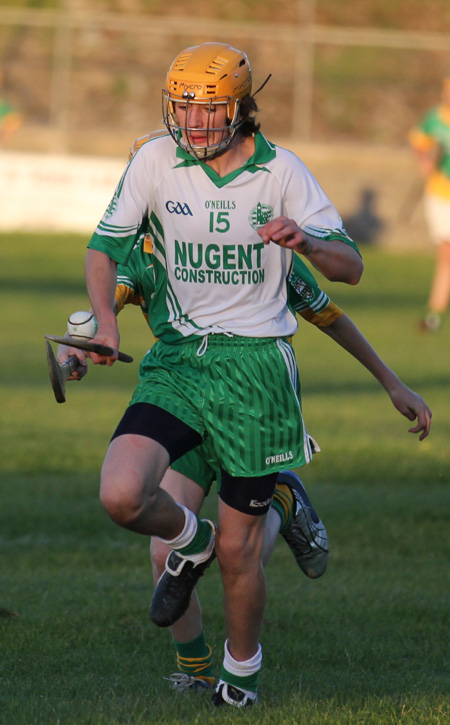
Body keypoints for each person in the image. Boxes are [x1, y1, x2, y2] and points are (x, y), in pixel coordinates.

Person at [82, 41, 365, 708]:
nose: (192, 121)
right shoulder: (154, 158)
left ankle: (240, 671)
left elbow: (349, 268)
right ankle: (192, 537)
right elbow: (104, 250)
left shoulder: (282, 172)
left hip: (257, 373)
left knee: (243, 553)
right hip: (180, 363)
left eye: (208, 109)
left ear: (241, 110)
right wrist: (103, 322)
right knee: (121, 493)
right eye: (182, 106)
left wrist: (309, 243)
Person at [61, 232, 430, 702]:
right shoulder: (148, 249)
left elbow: (329, 315)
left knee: (241, 556)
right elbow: (102, 306)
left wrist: (393, 384)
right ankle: (194, 669)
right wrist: (73, 348)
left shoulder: (254, 246)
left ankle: (281, 504)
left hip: (251, 407)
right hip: (183, 396)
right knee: (163, 551)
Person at [409, 77, 450, 332]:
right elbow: (419, 143)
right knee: (446, 252)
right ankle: (435, 313)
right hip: (440, 193)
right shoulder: (434, 118)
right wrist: (425, 160)